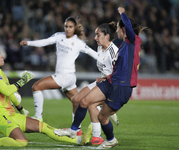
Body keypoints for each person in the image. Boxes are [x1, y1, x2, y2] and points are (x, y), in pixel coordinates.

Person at [54, 7, 147, 149]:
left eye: (118, 29)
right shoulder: (123, 46)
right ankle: (73, 131)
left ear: (123, 29)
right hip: (111, 81)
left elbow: (128, 27)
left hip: (121, 86)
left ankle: (110, 139)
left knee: (102, 117)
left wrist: (122, 13)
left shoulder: (133, 41)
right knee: (84, 101)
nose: (117, 31)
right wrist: (107, 77)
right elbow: (118, 67)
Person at [0, 46, 84, 147]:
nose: (2, 56)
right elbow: (6, 91)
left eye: (0, 54)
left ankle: (79, 140)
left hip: (10, 114)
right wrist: (23, 80)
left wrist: (21, 109)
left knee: (43, 126)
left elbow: (9, 94)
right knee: (21, 142)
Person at [20, 17, 98, 131]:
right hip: (68, 78)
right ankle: (77, 129)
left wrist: (110, 60)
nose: (67, 29)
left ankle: (38, 117)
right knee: (77, 102)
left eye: (70, 27)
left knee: (36, 87)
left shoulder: (78, 43)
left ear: (75, 28)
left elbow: (94, 54)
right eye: (66, 26)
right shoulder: (59, 36)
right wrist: (29, 43)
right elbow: (45, 41)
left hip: (65, 76)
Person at [71, 22, 119, 145]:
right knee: (76, 99)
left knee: (89, 103)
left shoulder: (114, 52)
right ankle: (79, 131)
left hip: (112, 86)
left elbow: (119, 74)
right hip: (102, 81)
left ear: (107, 36)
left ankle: (94, 136)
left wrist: (105, 79)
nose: (95, 38)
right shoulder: (99, 47)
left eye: (98, 35)